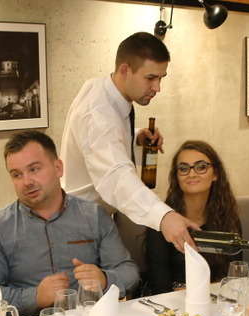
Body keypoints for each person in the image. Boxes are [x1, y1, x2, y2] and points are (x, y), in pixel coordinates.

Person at [0, 130, 139, 316]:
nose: (26, 182)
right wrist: (35, 297)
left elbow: (129, 273)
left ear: (58, 168)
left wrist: (104, 279)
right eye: (17, 175)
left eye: (34, 169)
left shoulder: (93, 216)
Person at [60, 31, 199, 253]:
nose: (158, 88)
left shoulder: (102, 89)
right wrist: (163, 216)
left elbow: (100, 141)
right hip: (79, 231)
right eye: (150, 78)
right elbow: (116, 175)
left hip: (92, 221)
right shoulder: (97, 114)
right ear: (125, 70)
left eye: (161, 78)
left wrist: (135, 136)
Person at [145, 141, 241, 293]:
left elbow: (236, 274)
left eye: (201, 167)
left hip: (219, 298)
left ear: (215, 174)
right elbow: (159, 286)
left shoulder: (228, 217)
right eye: (183, 169)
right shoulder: (162, 220)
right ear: (176, 177)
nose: (192, 174)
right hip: (172, 302)